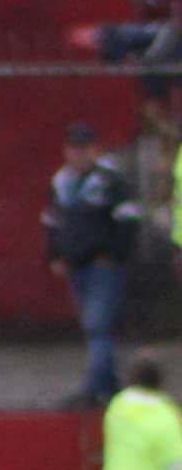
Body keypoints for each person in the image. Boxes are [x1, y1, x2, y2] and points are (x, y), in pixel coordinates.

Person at [48, 120, 144, 412]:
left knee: (97, 326)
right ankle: (111, 387)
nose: (78, 155)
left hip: (103, 265)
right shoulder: (62, 182)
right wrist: (55, 255)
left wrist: (114, 255)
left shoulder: (111, 182)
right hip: (77, 266)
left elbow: (128, 221)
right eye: (74, 149)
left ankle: (92, 389)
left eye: (84, 149)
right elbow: (52, 223)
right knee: (95, 327)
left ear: (94, 150)